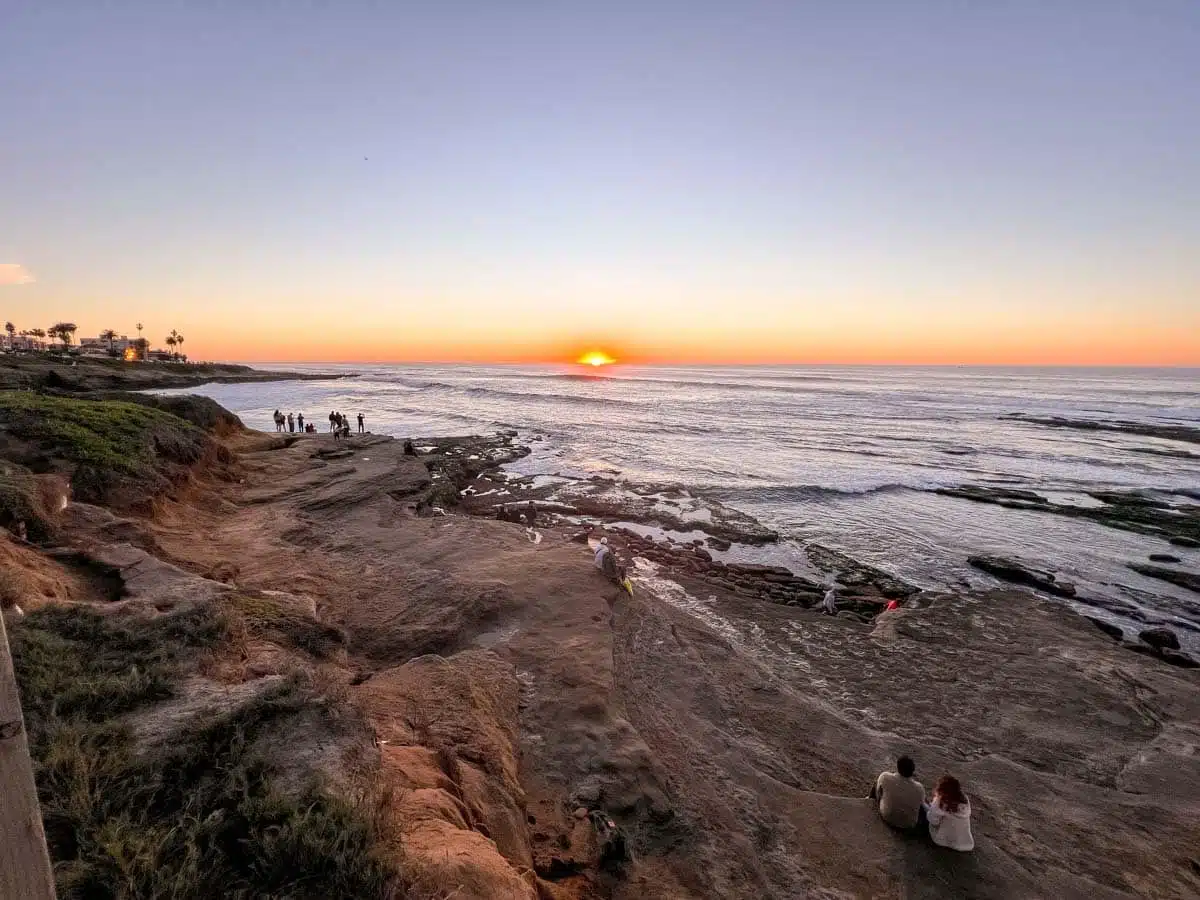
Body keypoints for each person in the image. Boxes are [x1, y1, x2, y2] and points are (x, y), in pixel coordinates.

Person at [870, 755, 925, 830]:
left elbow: (878, 790)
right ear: (912, 771)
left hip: (887, 816)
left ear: (897, 767)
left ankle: (870, 800)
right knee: (922, 803)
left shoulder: (885, 777)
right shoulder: (920, 788)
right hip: (908, 825)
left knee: (877, 784)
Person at [926, 775, 974, 851]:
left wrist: (932, 807)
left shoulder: (941, 802)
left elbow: (933, 821)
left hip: (943, 841)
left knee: (927, 812)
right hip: (965, 843)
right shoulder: (965, 800)